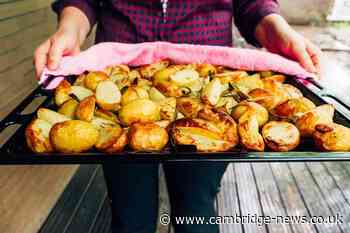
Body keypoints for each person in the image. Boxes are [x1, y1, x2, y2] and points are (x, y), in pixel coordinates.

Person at [34, 1, 321, 233]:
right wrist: (69, 29)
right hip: (121, 78)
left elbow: (252, 4)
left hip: (210, 86)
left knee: (196, 211)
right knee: (131, 216)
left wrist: (276, 29)